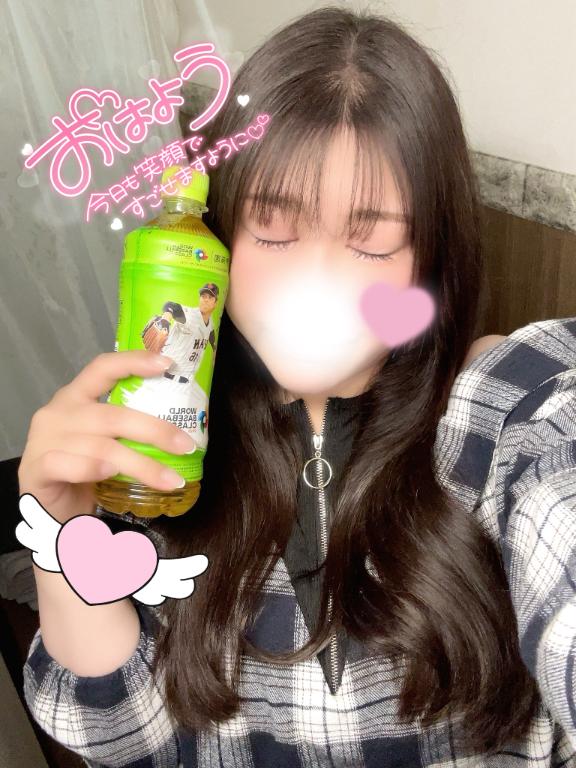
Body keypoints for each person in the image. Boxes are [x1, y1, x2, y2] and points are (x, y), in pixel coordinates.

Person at [19, 6, 576, 767]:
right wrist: (61, 529)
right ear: (218, 239)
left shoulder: (507, 403)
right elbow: (119, 737)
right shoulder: (155, 446)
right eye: (275, 230)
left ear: (431, 260)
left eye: (371, 241)